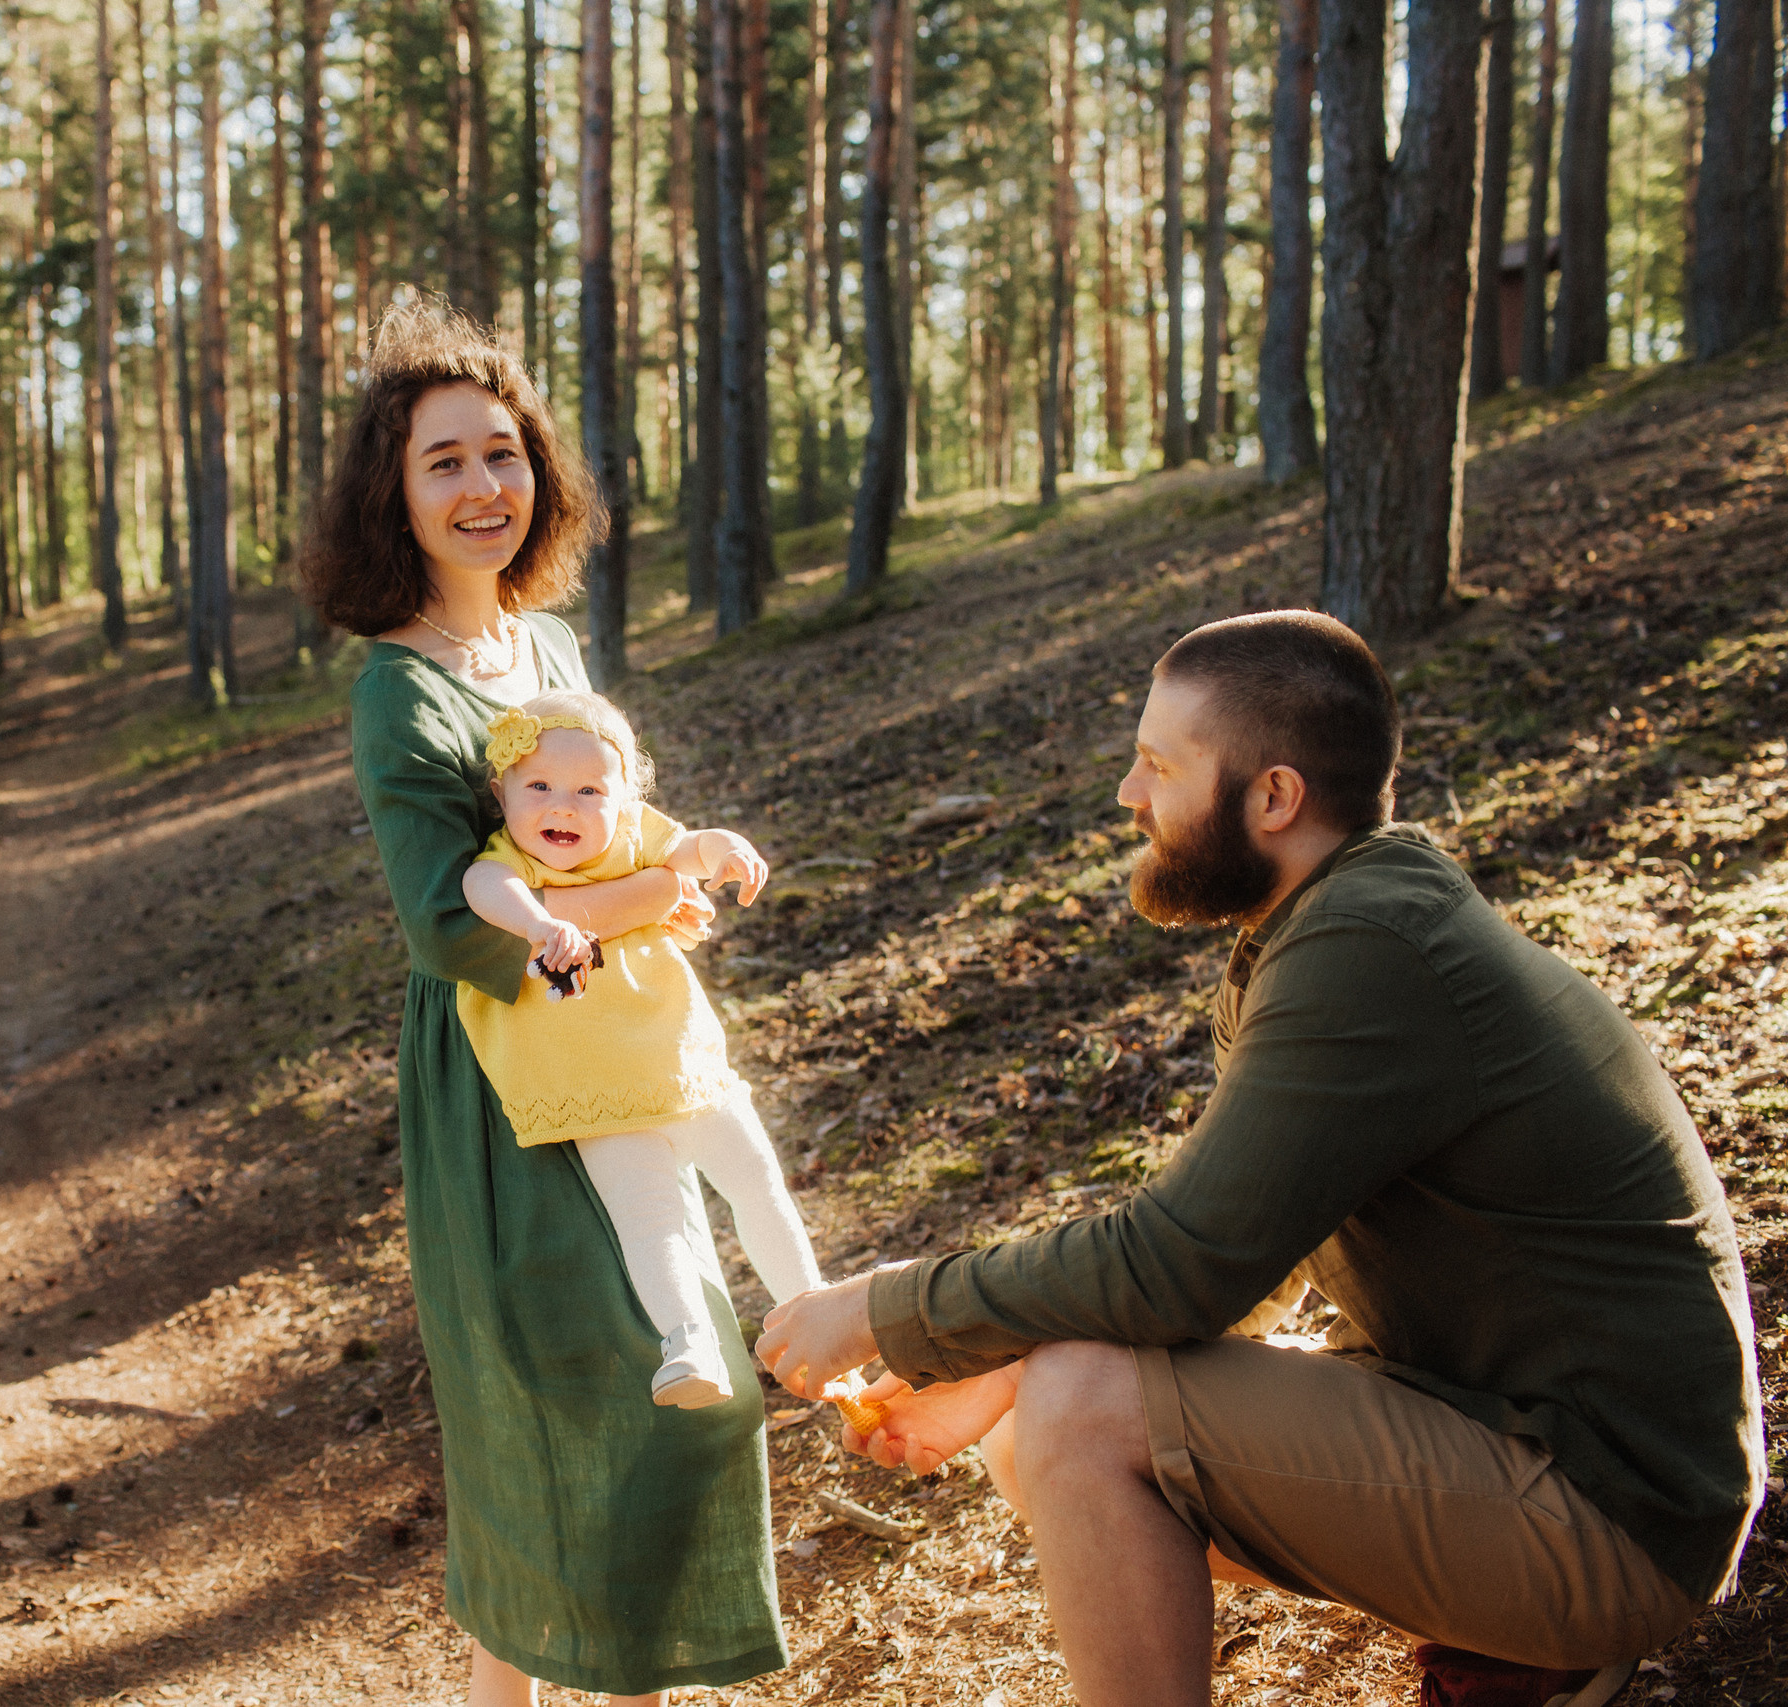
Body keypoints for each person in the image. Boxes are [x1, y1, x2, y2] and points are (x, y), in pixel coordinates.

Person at [755, 610, 1762, 1707]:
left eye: (1157, 766)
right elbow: (1250, 1250)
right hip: (1542, 1452)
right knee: (1037, 1411)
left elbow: (1182, 1262)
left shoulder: (1366, 949)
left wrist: (888, 1309)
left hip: (1616, 1511)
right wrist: (986, 1366)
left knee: (1085, 1409)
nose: (1128, 798)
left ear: (1272, 797)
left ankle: (1542, 1626)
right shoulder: (1338, 919)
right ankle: (1522, 1645)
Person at [304, 300, 789, 1707]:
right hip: (501, 1079)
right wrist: (650, 902)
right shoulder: (401, 692)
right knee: (575, 1404)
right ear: (393, 493)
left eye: (502, 453)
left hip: (628, 1054)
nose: (480, 488)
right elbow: (449, 921)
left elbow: (608, 825)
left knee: (659, 1385)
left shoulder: (556, 650)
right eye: (443, 462)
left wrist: (673, 863)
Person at [459, 688, 823, 1408]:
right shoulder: (509, 866)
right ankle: (688, 1344)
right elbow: (481, 886)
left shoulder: (632, 837)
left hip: (677, 1055)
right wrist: (538, 924)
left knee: (754, 1178)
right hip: (598, 1089)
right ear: (501, 795)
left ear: (624, 797)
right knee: (649, 1221)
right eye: (539, 787)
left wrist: (719, 847)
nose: (562, 806)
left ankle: (814, 1312)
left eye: (590, 790)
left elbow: (684, 847)